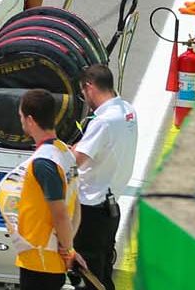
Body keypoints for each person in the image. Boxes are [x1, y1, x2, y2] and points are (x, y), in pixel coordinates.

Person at [7, 87, 83, 289]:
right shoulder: (64, 153)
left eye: (21, 116)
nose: (21, 120)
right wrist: (70, 248)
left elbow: (60, 214)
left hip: (40, 262)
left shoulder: (43, 162)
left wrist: (68, 251)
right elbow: (75, 207)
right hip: (48, 260)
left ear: (30, 120)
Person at [71, 65, 137, 290]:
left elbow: (76, 159)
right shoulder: (127, 111)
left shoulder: (103, 122)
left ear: (89, 87)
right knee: (103, 271)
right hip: (110, 206)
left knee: (87, 274)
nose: (84, 98)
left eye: (83, 92)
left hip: (91, 210)